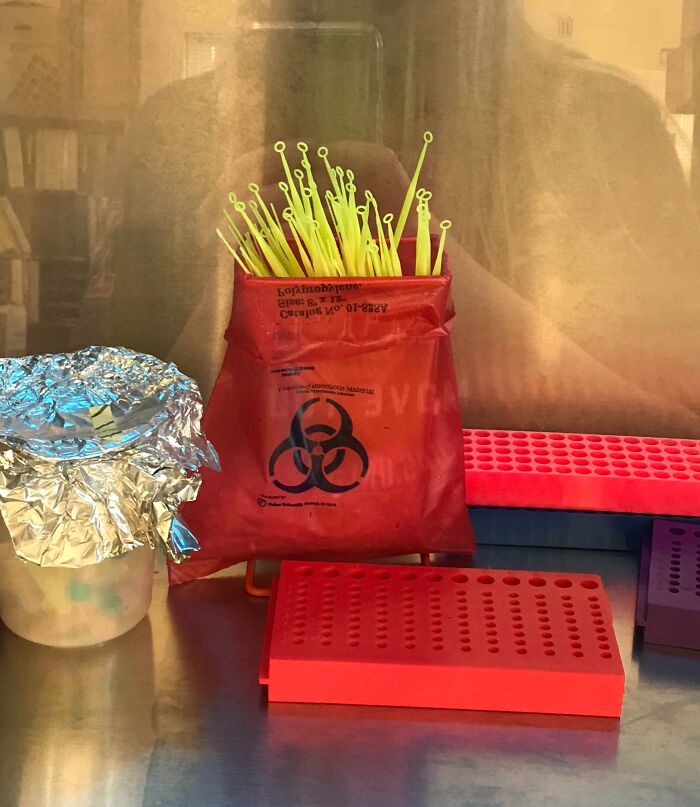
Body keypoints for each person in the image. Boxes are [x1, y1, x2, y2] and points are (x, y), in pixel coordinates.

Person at [95, 0, 700, 436]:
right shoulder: (180, 133)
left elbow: (676, 438)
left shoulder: (599, 126)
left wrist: (422, 262)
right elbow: (107, 423)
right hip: (238, 555)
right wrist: (228, 284)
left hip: (519, 550)